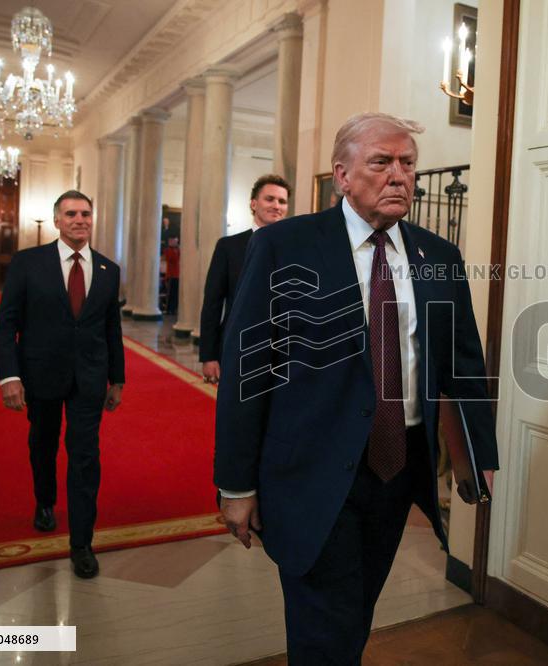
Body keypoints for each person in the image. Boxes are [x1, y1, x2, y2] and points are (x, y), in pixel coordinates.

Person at [214, 113, 498, 663]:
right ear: (342, 175)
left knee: (354, 614)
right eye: (381, 162)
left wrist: (477, 451)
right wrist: (235, 483)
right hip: (312, 473)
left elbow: (463, 362)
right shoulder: (283, 247)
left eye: (408, 164)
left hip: (395, 472)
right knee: (325, 628)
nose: (399, 176)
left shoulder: (438, 257)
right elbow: (248, 370)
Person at [0, 190, 125, 579]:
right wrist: (9, 376)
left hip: (89, 379)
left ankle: (82, 542)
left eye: (86, 213)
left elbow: (111, 329)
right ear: (57, 220)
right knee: (43, 443)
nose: (80, 220)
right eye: (71, 214)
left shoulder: (107, 270)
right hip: (40, 375)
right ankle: (45, 501)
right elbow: (6, 325)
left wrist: (117, 377)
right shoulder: (27, 264)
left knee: (85, 456)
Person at [199, 174, 291, 384]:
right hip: (237, 347)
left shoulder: (297, 248)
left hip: (284, 352)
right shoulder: (228, 247)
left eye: (282, 201)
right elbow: (212, 303)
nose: (276, 205)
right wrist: (209, 355)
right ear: (253, 203)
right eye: (270, 199)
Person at [163, 236, 180, 315]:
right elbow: (171, 259)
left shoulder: (178, 250)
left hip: (177, 275)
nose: (175, 242)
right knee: (170, 293)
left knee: (176, 293)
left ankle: (175, 308)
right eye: (173, 241)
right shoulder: (167, 250)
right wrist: (175, 251)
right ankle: (168, 309)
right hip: (171, 275)